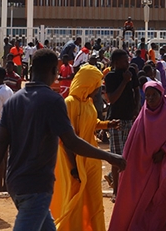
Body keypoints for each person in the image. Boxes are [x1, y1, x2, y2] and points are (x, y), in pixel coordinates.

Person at [0, 49, 126, 231]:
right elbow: (71, 141)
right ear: (54, 71)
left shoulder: (13, 101)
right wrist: (109, 156)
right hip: (37, 184)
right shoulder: (53, 100)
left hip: (16, 182)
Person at [50, 64, 119, 231]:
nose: (98, 90)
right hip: (73, 161)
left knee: (95, 201)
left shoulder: (88, 103)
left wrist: (107, 124)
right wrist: (74, 167)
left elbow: (91, 123)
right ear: (88, 84)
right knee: (74, 199)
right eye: (97, 85)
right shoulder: (69, 103)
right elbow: (67, 138)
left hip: (92, 160)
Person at [109, 82, 166, 231]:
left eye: (153, 95)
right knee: (142, 200)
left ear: (160, 94)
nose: (150, 99)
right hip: (146, 166)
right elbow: (134, 145)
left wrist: (164, 151)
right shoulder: (143, 115)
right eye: (147, 95)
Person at [103, 49, 140, 195]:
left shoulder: (131, 73)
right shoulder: (111, 77)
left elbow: (136, 91)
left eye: (127, 60)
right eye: (124, 61)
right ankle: (116, 191)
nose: (127, 63)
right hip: (116, 121)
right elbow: (112, 99)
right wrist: (124, 81)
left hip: (129, 118)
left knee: (129, 155)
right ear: (116, 62)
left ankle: (127, 189)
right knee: (116, 157)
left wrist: (136, 108)